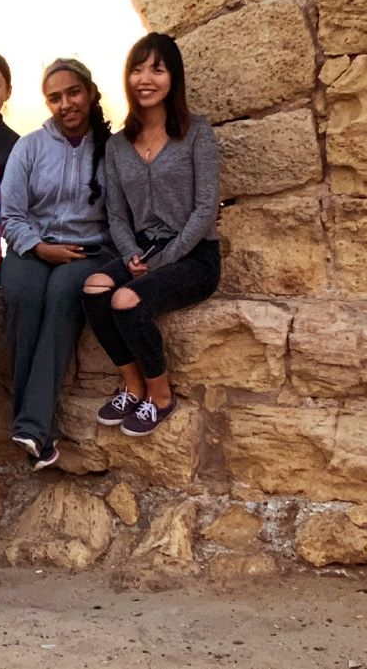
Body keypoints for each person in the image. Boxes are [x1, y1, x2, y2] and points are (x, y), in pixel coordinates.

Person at [82, 33, 220, 437]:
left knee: (126, 300)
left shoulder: (197, 133)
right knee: (94, 288)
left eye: (157, 70)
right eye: (137, 70)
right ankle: (133, 386)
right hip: (141, 249)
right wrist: (129, 254)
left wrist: (163, 259)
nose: (146, 79)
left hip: (194, 254)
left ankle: (160, 396)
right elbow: (116, 214)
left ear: (172, 77)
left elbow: (206, 208)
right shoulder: (118, 146)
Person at [0, 58, 113, 470]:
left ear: (91, 92)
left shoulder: (113, 149)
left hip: (87, 252)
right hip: (32, 248)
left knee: (64, 293)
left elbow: (122, 213)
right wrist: (38, 247)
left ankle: (30, 425)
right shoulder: (30, 146)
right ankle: (34, 428)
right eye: (54, 98)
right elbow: (8, 213)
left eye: (73, 93)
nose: (65, 104)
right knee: (23, 295)